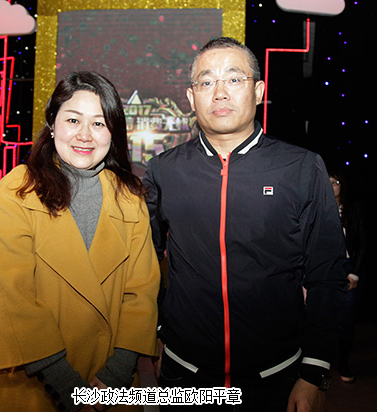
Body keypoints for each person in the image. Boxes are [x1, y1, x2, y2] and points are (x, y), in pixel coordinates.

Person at [143, 37, 347, 411]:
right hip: (184, 374)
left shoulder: (301, 167)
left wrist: (315, 371)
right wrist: (155, 334)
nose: (219, 92)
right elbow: (145, 263)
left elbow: (328, 273)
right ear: (191, 98)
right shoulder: (163, 170)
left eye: (234, 79)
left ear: (258, 91)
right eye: (206, 82)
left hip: (277, 377)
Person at [0, 71, 160, 412]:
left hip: (107, 380)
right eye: (73, 120)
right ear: (52, 123)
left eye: (98, 123)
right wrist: (70, 389)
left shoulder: (130, 197)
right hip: (30, 377)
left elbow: (140, 294)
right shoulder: (17, 190)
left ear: (113, 133)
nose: (85, 135)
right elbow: (12, 296)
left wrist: (113, 377)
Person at [329, 170, 367, 383]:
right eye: (327, 182)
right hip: (325, 268)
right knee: (320, 316)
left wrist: (355, 274)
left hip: (348, 267)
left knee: (347, 318)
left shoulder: (353, 210)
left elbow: (361, 243)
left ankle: (343, 363)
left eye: (335, 182)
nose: (331, 186)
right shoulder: (317, 207)